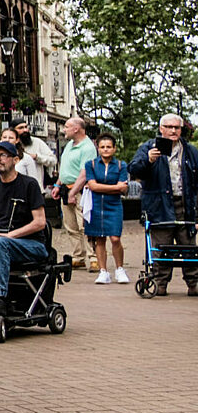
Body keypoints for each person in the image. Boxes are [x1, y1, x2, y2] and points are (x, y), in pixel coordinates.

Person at [128, 113, 198, 296]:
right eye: (169, 127)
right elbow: (133, 169)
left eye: (177, 127)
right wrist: (148, 160)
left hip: (185, 204)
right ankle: (159, 283)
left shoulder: (190, 151)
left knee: (189, 247)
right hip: (159, 205)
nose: (173, 131)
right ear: (161, 128)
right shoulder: (148, 147)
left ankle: (194, 283)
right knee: (161, 247)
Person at [0, 141, 49, 314]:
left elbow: (40, 222)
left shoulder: (29, 184)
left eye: (3, 156)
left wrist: (10, 236)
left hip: (33, 245)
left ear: (15, 160)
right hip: (3, 243)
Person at [73, 134, 130, 284]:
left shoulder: (121, 165)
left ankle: (119, 269)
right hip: (95, 205)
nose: (105, 150)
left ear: (114, 148)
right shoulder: (90, 164)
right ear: (98, 148)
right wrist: (115, 187)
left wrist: (105, 188)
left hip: (114, 205)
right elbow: (92, 185)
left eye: (109, 147)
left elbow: (123, 188)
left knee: (115, 238)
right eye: (102, 147)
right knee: (99, 239)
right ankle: (103, 271)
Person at [53, 117, 95, 268]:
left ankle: (93, 256)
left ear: (76, 129)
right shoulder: (69, 145)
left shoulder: (88, 147)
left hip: (80, 191)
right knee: (71, 226)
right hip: (66, 188)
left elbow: (84, 173)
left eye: (67, 126)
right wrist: (57, 185)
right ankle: (78, 256)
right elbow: (65, 168)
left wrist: (73, 193)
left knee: (84, 224)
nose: (64, 129)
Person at [11, 121, 56, 188]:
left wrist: (37, 157)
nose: (25, 130)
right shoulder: (8, 144)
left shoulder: (37, 142)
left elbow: (53, 160)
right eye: (21, 128)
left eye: (26, 127)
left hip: (36, 188)